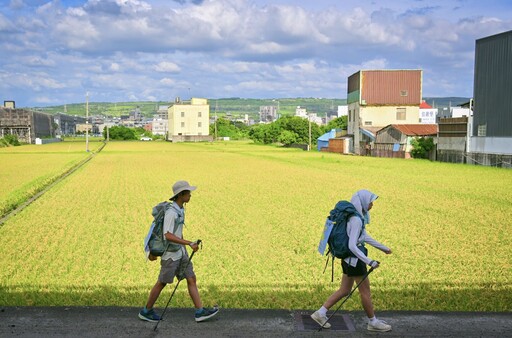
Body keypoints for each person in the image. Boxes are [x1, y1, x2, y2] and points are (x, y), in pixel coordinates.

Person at [311, 189, 392, 332]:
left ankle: (320, 313)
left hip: (349, 260)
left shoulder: (356, 217)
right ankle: (372, 322)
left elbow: (364, 237)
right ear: (363, 202)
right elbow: (352, 245)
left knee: (344, 290)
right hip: (355, 260)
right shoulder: (355, 220)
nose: (372, 204)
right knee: (365, 292)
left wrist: (383, 248)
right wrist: (369, 261)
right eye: (370, 201)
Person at [139, 180, 219, 323]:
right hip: (170, 256)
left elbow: (177, 232)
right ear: (181, 195)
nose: (190, 195)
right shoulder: (171, 213)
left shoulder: (180, 210)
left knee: (191, 278)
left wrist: (184, 247)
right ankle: (146, 311)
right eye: (188, 192)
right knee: (162, 282)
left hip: (181, 253)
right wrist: (188, 243)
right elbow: (168, 235)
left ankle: (200, 311)